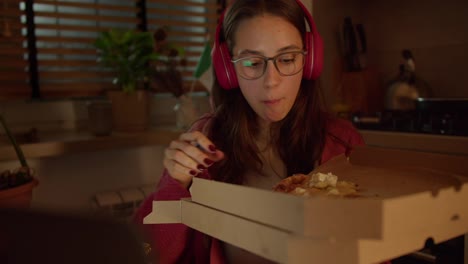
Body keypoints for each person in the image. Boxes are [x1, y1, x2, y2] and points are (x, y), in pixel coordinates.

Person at [133, 0, 365, 263]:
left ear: (310, 60)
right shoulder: (203, 142)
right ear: (228, 69)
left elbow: (377, 249)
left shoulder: (344, 143)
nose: (271, 82)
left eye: (287, 59)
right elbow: (145, 253)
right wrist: (174, 187)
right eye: (252, 63)